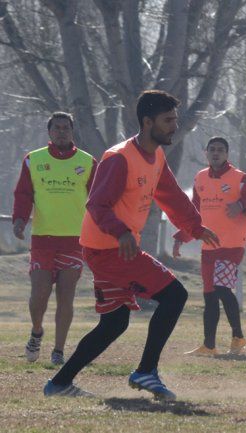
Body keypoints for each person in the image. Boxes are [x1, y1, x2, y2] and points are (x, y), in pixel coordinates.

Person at [43, 90, 219, 399]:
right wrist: (122, 232)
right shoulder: (119, 158)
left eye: (175, 120)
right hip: (110, 250)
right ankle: (146, 372)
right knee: (175, 295)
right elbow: (97, 205)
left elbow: (171, 195)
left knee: (114, 323)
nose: (173, 127)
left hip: (117, 248)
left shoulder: (156, 157)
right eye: (167, 121)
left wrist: (195, 226)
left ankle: (59, 383)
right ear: (147, 122)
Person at [12, 112, 96, 365]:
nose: (61, 132)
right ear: (49, 132)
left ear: (72, 132)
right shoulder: (33, 160)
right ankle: (36, 331)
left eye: (66, 128)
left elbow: (98, 199)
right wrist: (19, 219)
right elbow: (24, 194)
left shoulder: (88, 162)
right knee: (39, 294)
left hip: (73, 239)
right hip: (43, 239)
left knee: (66, 296)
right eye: (57, 128)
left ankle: (58, 350)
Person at [175, 137, 246, 356]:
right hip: (209, 246)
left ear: (227, 154)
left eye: (221, 150)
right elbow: (194, 213)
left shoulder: (239, 179)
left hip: (232, 245)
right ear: (206, 152)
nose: (216, 153)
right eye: (212, 150)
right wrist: (182, 236)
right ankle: (209, 346)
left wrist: (242, 205)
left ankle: (238, 337)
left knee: (221, 288)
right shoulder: (200, 178)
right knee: (209, 295)